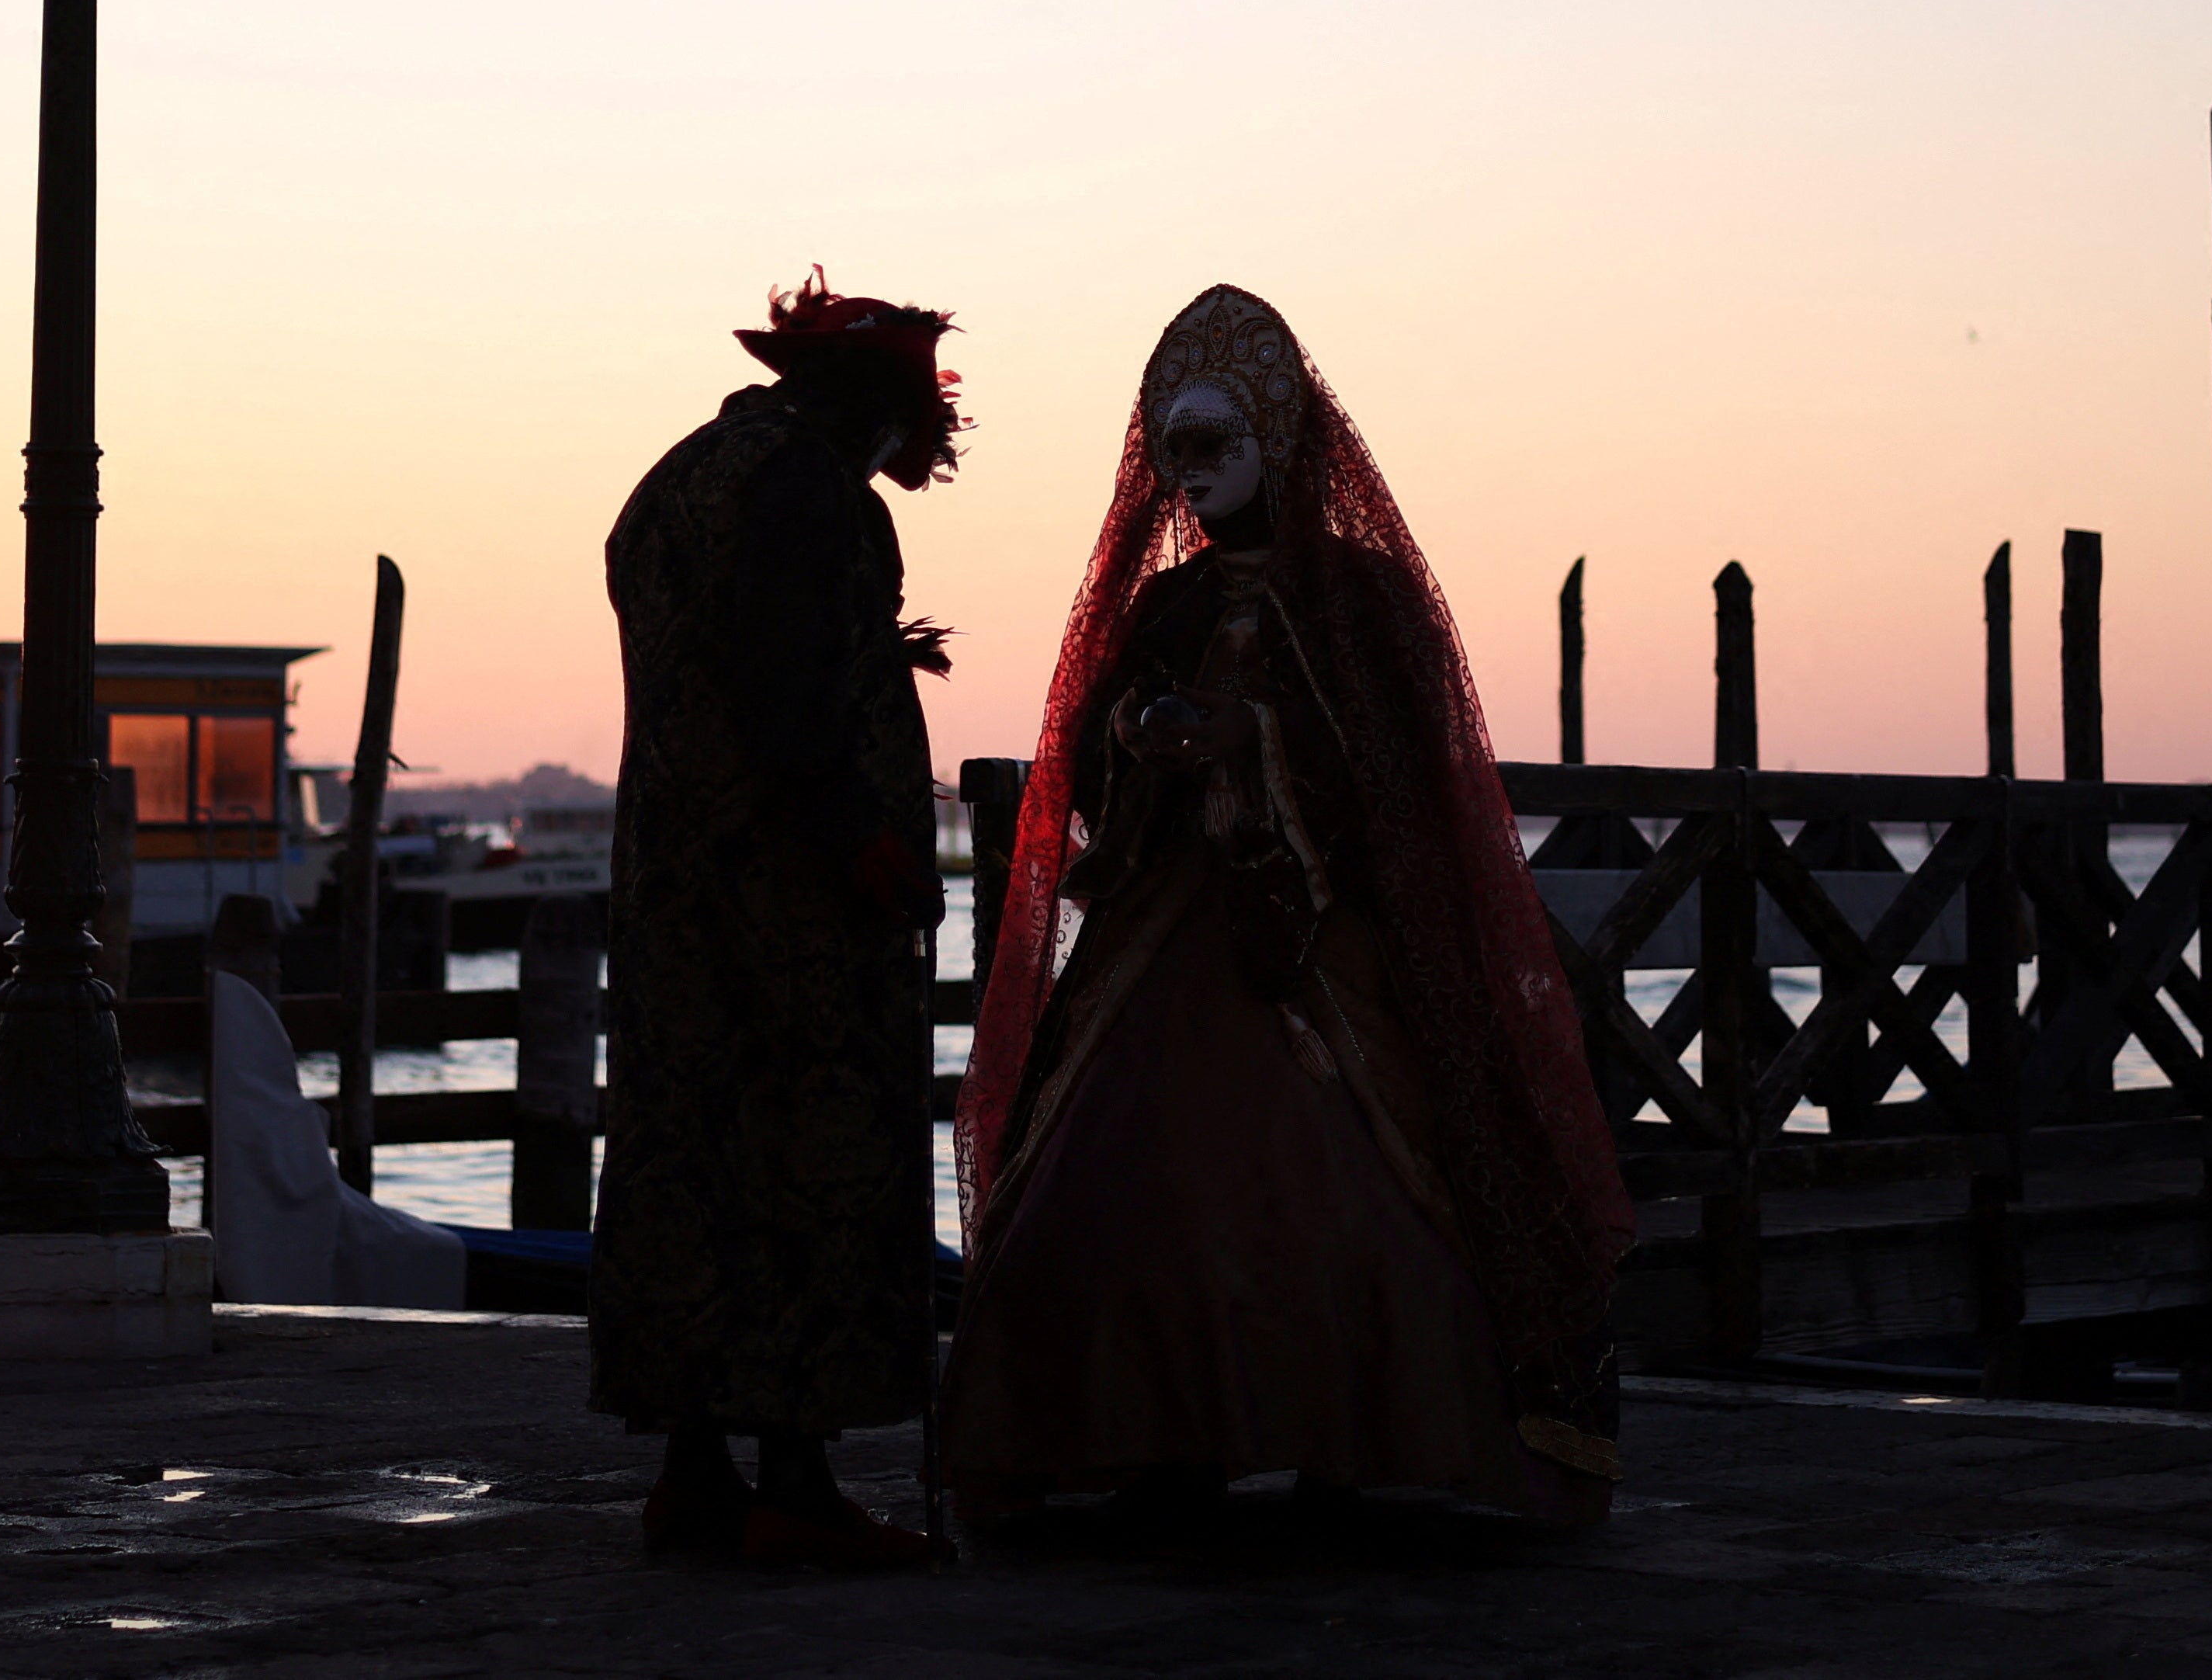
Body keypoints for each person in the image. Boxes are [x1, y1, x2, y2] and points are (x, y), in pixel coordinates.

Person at [945, 283, 1638, 1526]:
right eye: (1170, 448)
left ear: (1276, 441)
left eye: (1212, 443)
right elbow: (1102, 765)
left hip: (1320, 943)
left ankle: (1349, 1439)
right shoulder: (1165, 604)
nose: (1187, 473)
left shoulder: (1360, 598)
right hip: (1162, 936)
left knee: (1350, 1195)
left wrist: (1252, 737)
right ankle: (1157, 1445)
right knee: (1098, 1185)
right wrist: (1138, 732)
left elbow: (1394, 772)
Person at [591, 272, 960, 1567]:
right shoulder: (810, 491)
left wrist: (865, 650)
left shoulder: (682, 474)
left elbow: (730, 643)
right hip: (791, 909)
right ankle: (797, 1484)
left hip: (673, 896)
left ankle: (694, 1471)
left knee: (687, 1159)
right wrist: (866, 845)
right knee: (814, 1160)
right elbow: (778, 687)